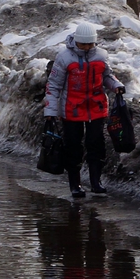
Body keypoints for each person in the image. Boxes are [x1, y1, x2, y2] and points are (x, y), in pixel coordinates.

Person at [43, 21, 126, 200]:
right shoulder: (65, 58)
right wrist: (50, 112)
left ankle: (96, 182)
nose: (87, 47)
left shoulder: (101, 56)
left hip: (96, 108)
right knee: (73, 146)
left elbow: (107, 77)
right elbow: (54, 85)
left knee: (96, 144)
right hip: (71, 110)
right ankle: (75, 184)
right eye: (83, 44)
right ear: (76, 41)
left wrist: (116, 86)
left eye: (90, 44)